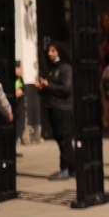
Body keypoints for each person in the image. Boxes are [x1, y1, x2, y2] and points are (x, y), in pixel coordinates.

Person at [36, 43, 75, 180]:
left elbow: (65, 89)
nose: (50, 53)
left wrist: (49, 85)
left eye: (53, 51)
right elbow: (52, 89)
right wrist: (42, 88)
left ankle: (64, 169)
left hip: (62, 109)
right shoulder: (53, 69)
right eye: (49, 51)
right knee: (61, 139)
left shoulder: (65, 68)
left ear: (60, 52)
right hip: (53, 107)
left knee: (64, 139)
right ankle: (72, 168)